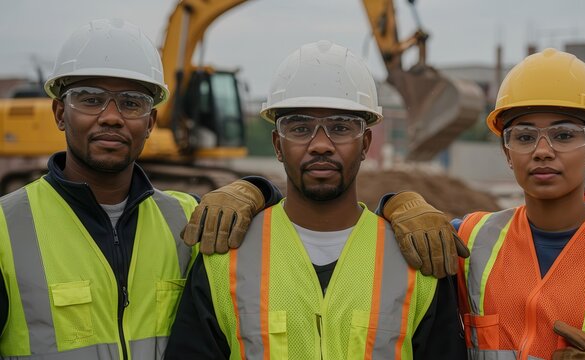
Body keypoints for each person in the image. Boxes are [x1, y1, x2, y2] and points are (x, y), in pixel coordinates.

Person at [0, 19, 283, 359]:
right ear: (60, 113)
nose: (111, 116)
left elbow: (280, 237)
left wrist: (257, 191)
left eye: (131, 102)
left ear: (150, 122)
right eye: (90, 100)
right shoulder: (6, 228)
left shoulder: (186, 220)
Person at [165, 40, 466, 359]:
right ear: (277, 145)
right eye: (299, 128)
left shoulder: (418, 259)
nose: (320, 144)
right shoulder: (223, 258)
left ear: (365, 144)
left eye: (339, 127)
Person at [454, 48, 585, 359]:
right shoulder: (467, 241)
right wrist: (394, 206)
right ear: (507, 153)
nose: (542, 151)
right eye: (524, 137)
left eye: (563, 135)